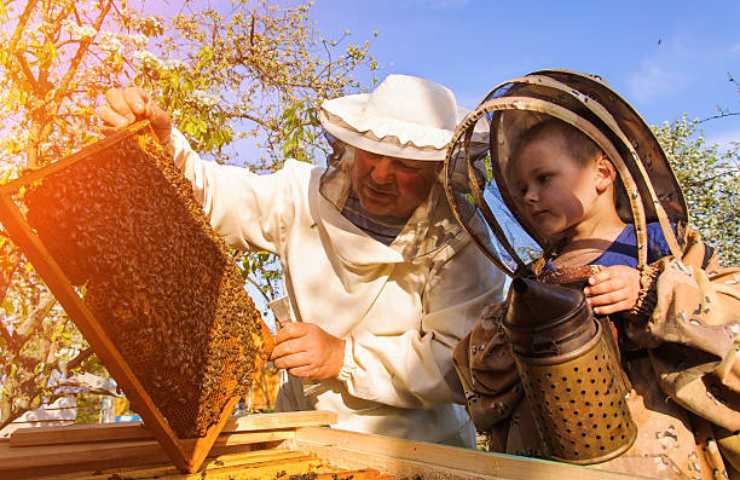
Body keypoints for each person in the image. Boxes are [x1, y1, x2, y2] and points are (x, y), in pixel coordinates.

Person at [98, 74, 506, 447]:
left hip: (416, 446)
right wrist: (165, 148)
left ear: (438, 169)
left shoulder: (462, 240)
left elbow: (461, 360)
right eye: (371, 154)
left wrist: (343, 356)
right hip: (299, 430)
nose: (380, 175)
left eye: (404, 165)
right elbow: (214, 197)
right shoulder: (300, 194)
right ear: (351, 145)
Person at [451, 71, 740, 478]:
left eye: (544, 178)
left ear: (603, 173)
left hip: (653, 460)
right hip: (547, 463)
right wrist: (505, 330)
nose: (530, 196)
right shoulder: (536, 279)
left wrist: (650, 293)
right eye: (521, 188)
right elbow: (482, 378)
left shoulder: (664, 248)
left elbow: (728, 306)